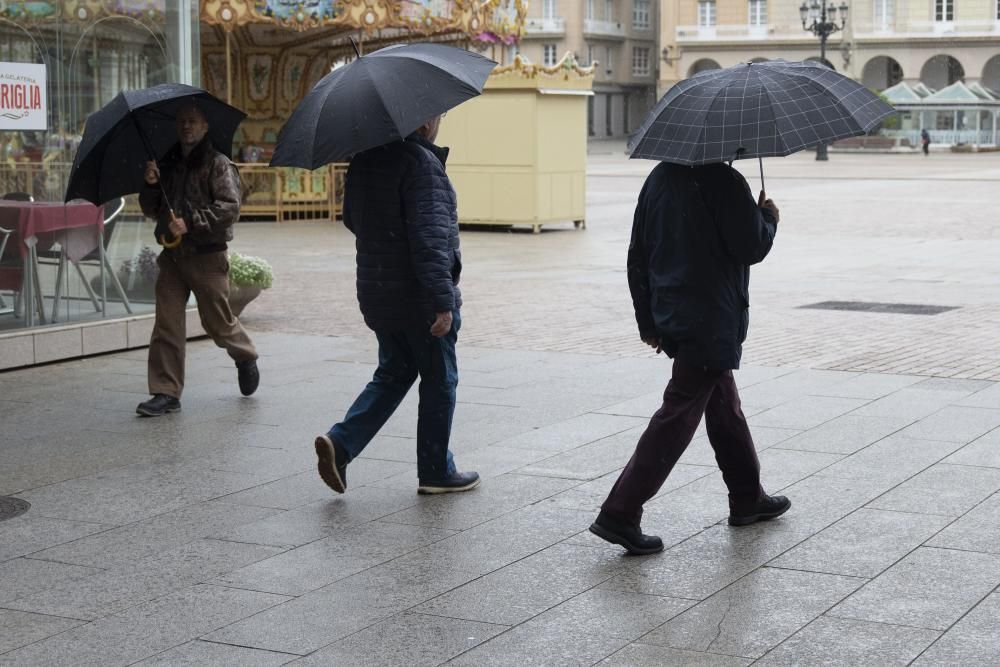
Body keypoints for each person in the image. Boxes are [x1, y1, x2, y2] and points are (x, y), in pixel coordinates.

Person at [589, 161, 790, 555]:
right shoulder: (725, 180)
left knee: (723, 405)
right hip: (711, 316)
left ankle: (748, 496)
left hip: (674, 313)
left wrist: (648, 320)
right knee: (678, 413)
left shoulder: (659, 178)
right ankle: (620, 510)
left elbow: (638, 253)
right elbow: (751, 246)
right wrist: (767, 218)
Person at [314, 114, 479, 496]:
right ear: (423, 123)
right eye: (436, 116)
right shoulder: (422, 165)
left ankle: (340, 443)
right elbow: (431, 240)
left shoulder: (365, 161)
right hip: (418, 298)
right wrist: (441, 302)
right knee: (440, 380)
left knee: (393, 373)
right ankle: (437, 469)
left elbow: (353, 220)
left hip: (379, 294)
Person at [136, 101, 259, 417]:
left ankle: (244, 355)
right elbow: (152, 208)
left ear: (205, 126)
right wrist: (150, 185)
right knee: (167, 324)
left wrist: (191, 221)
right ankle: (165, 392)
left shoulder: (218, 164)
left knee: (217, 323)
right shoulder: (168, 164)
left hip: (207, 257)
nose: (186, 127)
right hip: (173, 258)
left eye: (192, 121)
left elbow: (230, 208)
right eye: (181, 122)